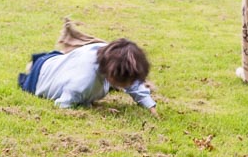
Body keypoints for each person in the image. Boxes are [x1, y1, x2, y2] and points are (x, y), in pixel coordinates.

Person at [17, 36, 155, 110]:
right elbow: (63, 104)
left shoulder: (107, 51)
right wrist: (94, 107)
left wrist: (149, 105)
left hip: (55, 61)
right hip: (38, 78)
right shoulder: (84, 83)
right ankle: (32, 66)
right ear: (112, 75)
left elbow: (133, 82)